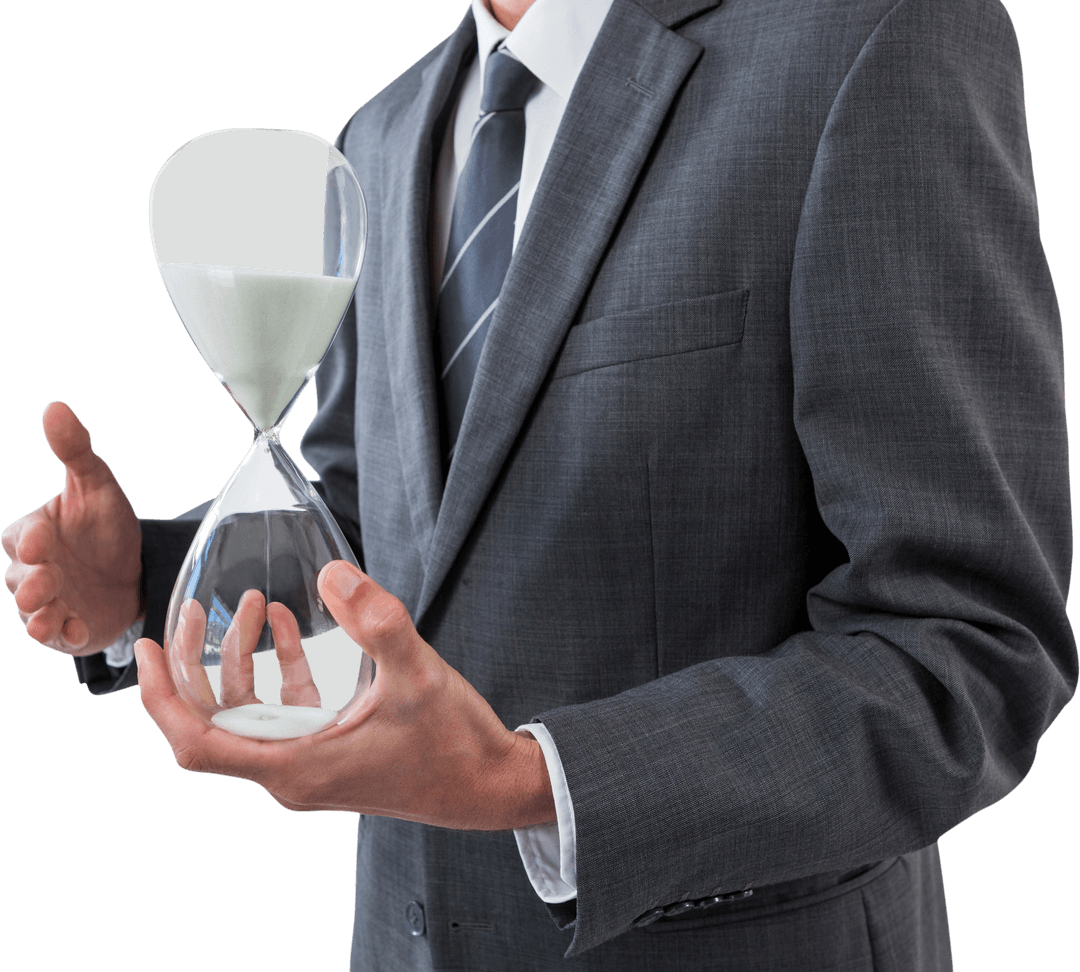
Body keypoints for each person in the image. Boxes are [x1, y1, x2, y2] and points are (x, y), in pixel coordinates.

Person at [4, 0, 1074, 969]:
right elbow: (370, 517)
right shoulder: (380, 134)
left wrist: (531, 782)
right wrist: (146, 584)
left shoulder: (876, 38)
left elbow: (971, 649)